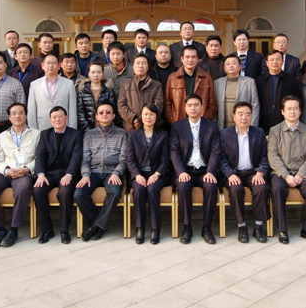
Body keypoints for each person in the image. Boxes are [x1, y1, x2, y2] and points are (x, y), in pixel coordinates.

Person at [0, 103, 41, 247]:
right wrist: (6, 170)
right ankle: (0, 229)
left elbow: (38, 158)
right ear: (9, 117)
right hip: (5, 172)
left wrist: (27, 169)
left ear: (25, 115)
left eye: (20, 113)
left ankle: (14, 229)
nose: (17, 116)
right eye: (14, 113)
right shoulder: (2, 136)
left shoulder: (36, 134)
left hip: (24, 173)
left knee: (22, 189)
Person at [268, 95, 306, 244]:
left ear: (300, 111)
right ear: (282, 112)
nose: (292, 112)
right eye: (289, 109)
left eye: (295, 109)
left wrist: (300, 175)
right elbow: (272, 155)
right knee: (277, 189)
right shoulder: (275, 131)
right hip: (280, 173)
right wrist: (286, 176)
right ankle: (282, 230)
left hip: (302, 173)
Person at [170, 94, 221, 244]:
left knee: (211, 186)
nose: (193, 108)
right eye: (190, 105)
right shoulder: (177, 127)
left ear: (201, 107)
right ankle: (187, 227)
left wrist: (210, 171)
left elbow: (216, 151)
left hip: (205, 171)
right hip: (186, 170)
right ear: (185, 108)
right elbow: (174, 151)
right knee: (183, 186)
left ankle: (207, 227)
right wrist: (181, 172)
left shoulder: (211, 126)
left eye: (196, 105)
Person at [74, 102, 128, 241]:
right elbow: (85, 159)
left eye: (108, 112)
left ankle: (94, 227)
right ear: (96, 116)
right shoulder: (89, 135)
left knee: (115, 192)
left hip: (112, 172)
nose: (105, 115)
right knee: (79, 194)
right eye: (101, 113)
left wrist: (116, 173)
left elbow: (124, 159)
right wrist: (85, 175)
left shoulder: (122, 134)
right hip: (93, 171)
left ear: (114, 115)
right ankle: (98, 225)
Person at [219, 102, 270, 243]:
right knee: (236, 189)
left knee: (262, 188)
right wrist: (230, 174)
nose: (244, 118)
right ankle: (241, 226)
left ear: (251, 117)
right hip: (234, 173)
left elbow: (265, 157)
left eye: (248, 114)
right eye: (240, 114)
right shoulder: (224, 134)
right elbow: (221, 159)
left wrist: (260, 172)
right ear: (234, 116)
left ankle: (258, 226)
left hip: (253, 172)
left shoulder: (259, 133)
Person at [33, 106, 83, 244]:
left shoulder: (76, 134)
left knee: (65, 192)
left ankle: (64, 231)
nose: (57, 119)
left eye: (60, 116)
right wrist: (41, 174)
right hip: (49, 174)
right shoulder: (45, 134)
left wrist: (69, 174)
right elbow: (40, 156)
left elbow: (77, 156)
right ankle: (46, 230)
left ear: (66, 117)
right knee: (38, 191)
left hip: (67, 173)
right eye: (54, 117)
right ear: (50, 119)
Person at [126, 103, 170, 245]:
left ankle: (155, 229)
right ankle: (140, 228)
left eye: (152, 114)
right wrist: (137, 175)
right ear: (141, 116)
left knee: (152, 189)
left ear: (156, 117)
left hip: (156, 174)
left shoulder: (163, 135)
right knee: (139, 190)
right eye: (145, 114)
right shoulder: (133, 135)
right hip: (139, 174)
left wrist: (157, 174)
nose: (148, 117)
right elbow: (130, 159)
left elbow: (165, 160)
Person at [165, 44, 216, 124]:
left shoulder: (206, 77)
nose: (190, 60)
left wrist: (206, 118)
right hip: (179, 121)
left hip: (201, 122)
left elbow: (211, 103)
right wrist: (173, 120)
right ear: (182, 58)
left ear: (198, 59)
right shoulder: (173, 77)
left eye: (193, 57)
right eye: (187, 57)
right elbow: (167, 102)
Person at [27, 53, 77, 131]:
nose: (51, 65)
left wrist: (72, 131)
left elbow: (72, 110)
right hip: (42, 126)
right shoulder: (35, 85)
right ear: (42, 66)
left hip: (63, 127)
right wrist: (33, 131)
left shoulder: (69, 84)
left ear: (59, 66)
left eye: (54, 63)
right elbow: (31, 111)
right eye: (48, 63)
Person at [256, 50, 301, 133]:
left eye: (278, 59)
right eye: (272, 60)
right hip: (263, 124)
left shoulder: (291, 80)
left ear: (283, 62)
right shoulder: (259, 81)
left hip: (285, 123)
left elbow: (298, 100)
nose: (275, 62)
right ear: (267, 63)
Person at [118, 54, 164, 131]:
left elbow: (158, 105)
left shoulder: (157, 85)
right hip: (131, 127)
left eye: (143, 63)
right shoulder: (125, 85)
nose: (140, 66)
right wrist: (134, 119)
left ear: (147, 67)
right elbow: (121, 106)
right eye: (138, 63)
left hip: (150, 126)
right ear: (133, 66)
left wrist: (145, 119)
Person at [214, 54, 260, 130]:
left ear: (240, 66)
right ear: (224, 68)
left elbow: (255, 106)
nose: (231, 66)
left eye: (234, 63)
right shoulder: (217, 83)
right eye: (228, 64)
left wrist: (253, 126)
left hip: (244, 125)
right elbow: (215, 107)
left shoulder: (249, 82)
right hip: (222, 127)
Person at [77, 60, 118, 132]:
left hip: (107, 130)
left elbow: (113, 110)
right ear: (88, 73)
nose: (96, 75)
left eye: (99, 72)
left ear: (103, 73)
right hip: (88, 131)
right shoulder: (83, 91)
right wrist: (89, 131)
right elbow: (81, 114)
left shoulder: (108, 91)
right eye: (93, 72)